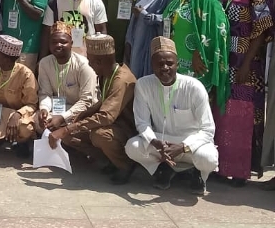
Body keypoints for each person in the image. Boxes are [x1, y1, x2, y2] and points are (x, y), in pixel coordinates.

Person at [125, 37, 218, 195]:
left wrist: (183, 146)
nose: (165, 68)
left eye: (170, 63)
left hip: (191, 144)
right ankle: (163, 169)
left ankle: (197, 173)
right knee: (132, 147)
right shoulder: (143, 85)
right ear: (152, 65)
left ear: (177, 64)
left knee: (208, 158)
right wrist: (155, 142)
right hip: (162, 143)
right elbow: (142, 123)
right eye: (160, 64)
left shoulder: (194, 87)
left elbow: (208, 129)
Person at [215, 0, 273, 185]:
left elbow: (261, 30)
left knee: (243, 116)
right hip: (224, 60)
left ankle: (240, 171)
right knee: (224, 113)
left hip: (246, 63)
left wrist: (247, 63)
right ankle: (223, 166)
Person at [49, 33, 137, 184]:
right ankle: (110, 160)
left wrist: (68, 129)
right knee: (70, 136)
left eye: (90, 61)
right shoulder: (107, 73)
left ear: (99, 61)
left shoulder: (122, 80)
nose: (89, 65)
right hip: (113, 124)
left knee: (100, 135)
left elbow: (106, 116)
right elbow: (105, 100)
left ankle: (125, 164)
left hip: (126, 128)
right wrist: (85, 114)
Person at [163, 0, 229, 111]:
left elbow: (218, 27)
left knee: (192, 109)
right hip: (177, 61)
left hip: (195, 64)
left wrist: (200, 52)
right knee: (177, 108)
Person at [124, 0, 178, 79]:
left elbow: (172, 19)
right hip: (140, 41)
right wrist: (129, 41)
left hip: (159, 44)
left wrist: (146, 16)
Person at [37, 21, 98, 133]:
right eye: (54, 42)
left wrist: (62, 118)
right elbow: (45, 93)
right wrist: (44, 109)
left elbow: (86, 101)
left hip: (81, 112)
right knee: (36, 122)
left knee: (76, 128)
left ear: (71, 43)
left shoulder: (83, 64)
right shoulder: (45, 63)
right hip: (57, 110)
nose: (58, 45)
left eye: (63, 42)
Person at [41, 0, 107, 58]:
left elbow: (102, 31)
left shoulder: (96, 2)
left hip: (87, 59)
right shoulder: (54, 2)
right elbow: (47, 33)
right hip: (61, 59)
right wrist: (42, 59)